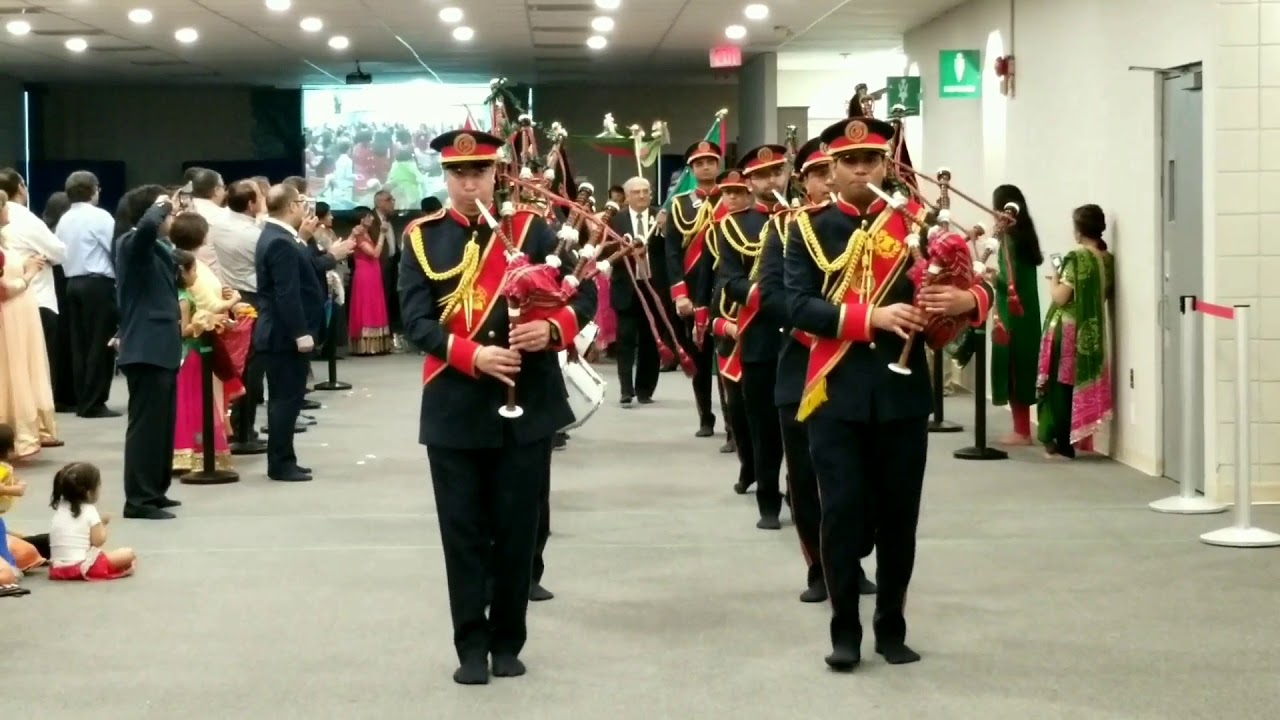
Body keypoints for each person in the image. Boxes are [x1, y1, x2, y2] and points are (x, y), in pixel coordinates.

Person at [784, 116, 992, 670]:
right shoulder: (805, 228)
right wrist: (869, 316)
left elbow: (977, 282)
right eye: (848, 162)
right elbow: (794, 304)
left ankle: (892, 626)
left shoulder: (921, 226)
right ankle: (845, 629)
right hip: (834, 393)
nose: (859, 170)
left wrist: (966, 303)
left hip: (901, 399)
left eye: (871, 160)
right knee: (842, 512)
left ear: (886, 165)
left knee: (899, 517)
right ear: (829, 168)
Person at [398, 128, 596, 686]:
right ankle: (470, 644)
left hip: (526, 403)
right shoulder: (421, 237)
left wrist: (552, 328)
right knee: (461, 533)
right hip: (455, 403)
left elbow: (585, 293)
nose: (468, 182)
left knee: (516, 529)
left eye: (479, 172)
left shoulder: (533, 231)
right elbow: (413, 321)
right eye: (458, 173)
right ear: (445, 177)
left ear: (496, 174)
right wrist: (473, 355)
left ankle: (509, 639)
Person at [758, 137, 877, 602]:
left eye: (837, 169)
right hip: (802, 366)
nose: (830, 179)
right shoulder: (787, 229)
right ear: (804, 179)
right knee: (807, 479)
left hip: (861, 369)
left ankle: (851, 556)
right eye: (820, 172)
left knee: (863, 477)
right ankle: (820, 569)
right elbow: (772, 296)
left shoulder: (870, 224)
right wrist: (822, 322)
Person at [711, 145, 789, 530]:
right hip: (759, 337)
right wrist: (773, 299)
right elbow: (731, 279)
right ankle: (768, 499)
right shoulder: (735, 225)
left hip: (808, 339)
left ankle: (801, 492)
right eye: (761, 175)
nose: (770, 180)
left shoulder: (807, 217)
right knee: (764, 425)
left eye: (777, 171)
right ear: (750, 182)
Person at [114, 188, 183, 520]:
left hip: (162, 345)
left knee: (163, 426)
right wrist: (161, 203)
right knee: (146, 428)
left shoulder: (158, 247)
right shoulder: (132, 243)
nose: (171, 218)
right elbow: (145, 230)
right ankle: (139, 499)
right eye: (167, 213)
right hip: (146, 346)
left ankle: (156, 490)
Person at [254, 184, 326, 482]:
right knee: (285, 400)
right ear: (293, 206)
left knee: (290, 398)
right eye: (302, 202)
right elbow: (287, 293)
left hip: (283, 333)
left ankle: (286, 457)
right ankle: (280, 462)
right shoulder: (279, 241)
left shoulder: (281, 237)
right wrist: (300, 332)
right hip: (284, 335)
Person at [1037, 203, 1114, 458]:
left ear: (1079, 231)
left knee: (1059, 386)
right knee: (1074, 385)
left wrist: (1054, 279)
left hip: (1067, 329)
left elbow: (1061, 298)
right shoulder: (1106, 260)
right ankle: (1073, 435)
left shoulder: (1077, 258)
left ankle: (1058, 438)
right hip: (1090, 331)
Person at [664, 140, 726, 439]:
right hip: (693, 292)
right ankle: (705, 416)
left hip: (726, 292)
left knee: (728, 361)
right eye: (699, 163)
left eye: (710, 161)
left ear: (719, 165)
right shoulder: (680, 204)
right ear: (691, 169)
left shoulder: (732, 199)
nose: (705, 167)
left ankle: (733, 425)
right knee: (700, 358)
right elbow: (673, 253)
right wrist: (680, 294)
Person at [704, 170, 756, 497]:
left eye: (739, 192)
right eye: (728, 193)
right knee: (738, 411)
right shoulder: (720, 236)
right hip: (732, 343)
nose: (732, 198)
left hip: (767, 341)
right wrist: (729, 326)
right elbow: (714, 303)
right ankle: (747, 465)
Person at [56, 171, 120, 418]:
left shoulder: (65, 219)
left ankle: (83, 397)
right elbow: (114, 248)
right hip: (97, 284)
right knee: (99, 343)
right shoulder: (100, 216)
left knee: (79, 345)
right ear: (93, 190)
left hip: (72, 282)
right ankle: (95, 401)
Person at [988, 184, 1045, 446]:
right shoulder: (1026, 237)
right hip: (1029, 316)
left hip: (1012, 315)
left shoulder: (1009, 241)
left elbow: (1009, 283)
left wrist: (988, 276)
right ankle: (1024, 429)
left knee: (1013, 371)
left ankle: (1022, 431)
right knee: (1023, 368)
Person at [172, 249, 234, 472]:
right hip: (192, 353)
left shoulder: (182, 293)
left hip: (193, 353)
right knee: (195, 402)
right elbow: (184, 330)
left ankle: (190, 450)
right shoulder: (184, 299)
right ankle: (195, 450)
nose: (197, 274)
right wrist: (204, 320)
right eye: (194, 270)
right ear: (185, 272)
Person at [608, 176, 662, 406]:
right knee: (626, 339)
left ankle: (644, 389)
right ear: (627, 196)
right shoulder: (616, 221)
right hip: (627, 287)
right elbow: (605, 253)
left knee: (651, 341)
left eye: (646, 191)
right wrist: (626, 254)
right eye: (637, 192)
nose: (642, 196)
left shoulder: (660, 217)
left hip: (653, 286)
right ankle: (625, 389)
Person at [47, 462, 137, 581]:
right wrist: (103, 524)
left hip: (58, 568)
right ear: (89, 492)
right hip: (83, 566)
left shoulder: (61, 508)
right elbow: (98, 541)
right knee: (128, 553)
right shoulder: (89, 510)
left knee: (104, 554)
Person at [347, 207, 393, 355]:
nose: (372, 219)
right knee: (367, 305)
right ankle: (366, 346)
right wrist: (382, 234)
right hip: (365, 274)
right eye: (369, 216)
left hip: (373, 272)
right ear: (362, 219)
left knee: (374, 304)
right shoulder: (358, 233)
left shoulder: (365, 232)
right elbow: (375, 253)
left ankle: (375, 345)